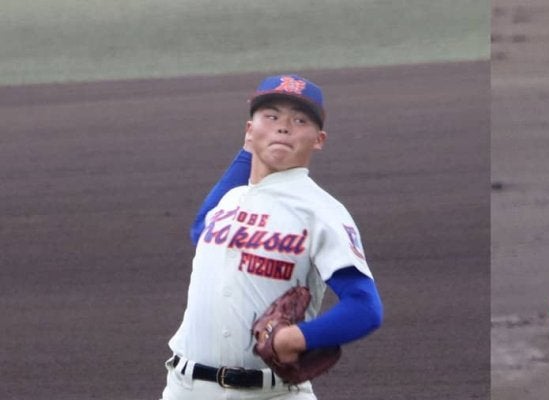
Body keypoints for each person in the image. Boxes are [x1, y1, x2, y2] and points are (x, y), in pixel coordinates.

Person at [162, 74, 384, 400]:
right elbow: (201, 230)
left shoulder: (322, 212)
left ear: (319, 139)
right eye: (271, 116)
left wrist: (296, 338)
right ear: (249, 129)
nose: (283, 128)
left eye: (299, 120)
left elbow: (365, 307)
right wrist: (248, 152)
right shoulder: (231, 199)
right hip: (186, 389)